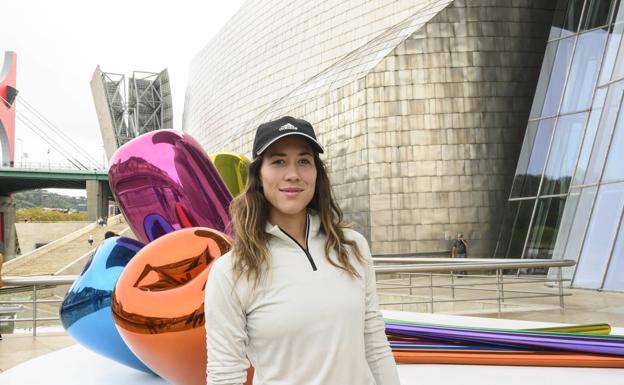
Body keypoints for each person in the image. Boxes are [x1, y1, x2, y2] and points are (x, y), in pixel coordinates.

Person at [205, 116, 400, 385]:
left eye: (304, 161)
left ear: (317, 173)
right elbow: (225, 374)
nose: (293, 173)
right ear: (259, 176)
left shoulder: (352, 247)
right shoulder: (232, 271)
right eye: (278, 161)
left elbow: (375, 345)